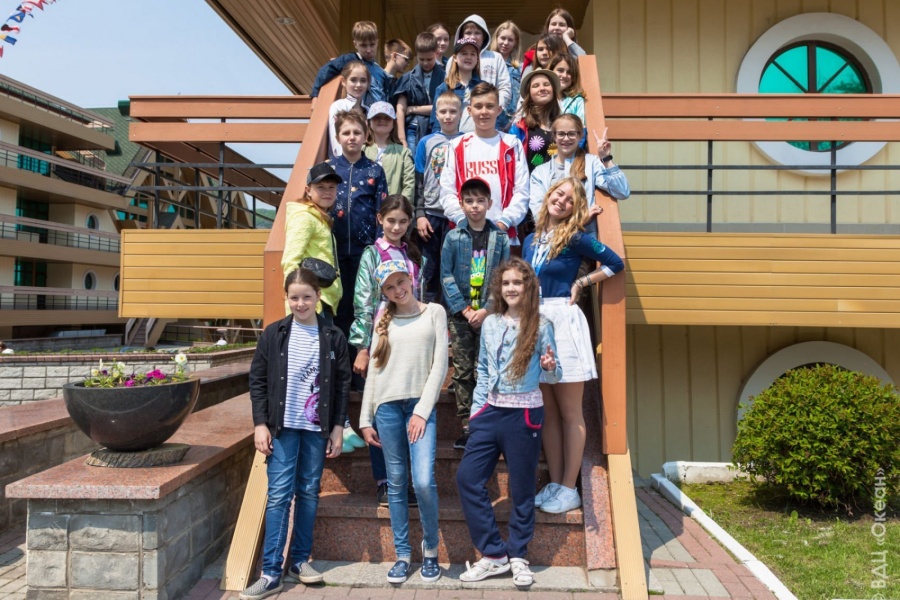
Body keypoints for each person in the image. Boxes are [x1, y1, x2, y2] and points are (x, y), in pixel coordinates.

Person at [241, 268, 351, 600]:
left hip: (316, 430)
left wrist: (338, 427)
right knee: (278, 495)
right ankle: (270, 572)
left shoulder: (333, 336)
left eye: (306, 296)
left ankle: (299, 561)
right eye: (294, 297)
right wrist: (260, 424)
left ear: (318, 296)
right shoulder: (274, 334)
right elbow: (258, 381)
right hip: (282, 428)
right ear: (286, 298)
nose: (300, 303)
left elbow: (342, 384)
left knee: (308, 493)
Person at [522, 177, 624, 514]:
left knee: (570, 411)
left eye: (570, 201)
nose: (562, 201)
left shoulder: (576, 238)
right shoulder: (530, 239)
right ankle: (555, 483)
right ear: (549, 195)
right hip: (534, 321)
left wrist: (582, 281)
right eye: (559, 194)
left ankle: (569, 487)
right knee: (547, 411)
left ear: (575, 209)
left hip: (562, 323)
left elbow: (615, 262)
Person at [456, 257, 560, 587]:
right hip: (489, 413)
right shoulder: (489, 323)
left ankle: (518, 555)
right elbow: (483, 368)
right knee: (467, 478)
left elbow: (555, 374)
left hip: (524, 414)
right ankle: (494, 555)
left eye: (518, 282)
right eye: (506, 283)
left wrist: (549, 367)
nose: (511, 288)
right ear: (498, 288)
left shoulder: (542, 325)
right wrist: (476, 412)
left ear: (529, 287)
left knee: (522, 487)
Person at [359, 260, 448, 584]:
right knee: (396, 482)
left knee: (422, 481)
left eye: (401, 282)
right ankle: (402, 554)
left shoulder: (434, 312)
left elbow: (440, 364)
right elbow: (375, 371)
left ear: (411, 279)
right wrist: (365, 418)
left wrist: (422, 411)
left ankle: (430, 550)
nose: (398, 290)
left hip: (419, 407)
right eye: (390, 287)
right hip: (386, 407)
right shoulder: (383, 320)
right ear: (383, 292)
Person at [349, 195, 426, 504]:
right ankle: (386, 481)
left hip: (412, 339)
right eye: (391, 220)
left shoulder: (412, 254)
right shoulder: (372, 254)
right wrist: (362, 347)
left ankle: (409, 480)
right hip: (382, 340)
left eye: (403, 221)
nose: (396, 227)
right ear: (380, 219)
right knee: (382, 410)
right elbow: (363, 302)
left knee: (409, 408)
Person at [441, 177, 511, 449]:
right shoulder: (453, 237)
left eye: (480, 201)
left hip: (489, 316)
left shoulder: (500, 238)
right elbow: (446, 275)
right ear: (461, 204)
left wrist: (485, 309)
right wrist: (465, 308)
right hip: (461, 316)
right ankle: (467, 426)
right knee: (462, 372)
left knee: (487, 369)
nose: (475, 206)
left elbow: (503, 277)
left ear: (490, 204)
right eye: (469, 201)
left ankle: (485, 423)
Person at [327, 110, 388, 390]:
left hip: (365, 254)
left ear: (366, 137)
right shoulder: (329, 169)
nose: (352, 137)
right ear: (338, 137)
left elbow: (382, 211)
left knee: (363, 309)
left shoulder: (374, 170)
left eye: (357, 133)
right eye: (346, 133)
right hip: (334, 253)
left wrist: (377, 250)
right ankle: (340, 373)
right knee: (340, 311)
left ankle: (361, 375)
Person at [439, 82, 529, 244]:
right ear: (469, 110)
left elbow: (522, 191)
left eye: (490, 106)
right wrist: (463, 221)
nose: (484, 112)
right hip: (465, 237)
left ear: (499, 110)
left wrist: (503, 224)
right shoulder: (456, 146)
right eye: (478, 106)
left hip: (503, 235)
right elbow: (447, 191)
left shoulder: (512, 144)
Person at [529, 115, 630, 237]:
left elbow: (622, 191)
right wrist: (580, 221)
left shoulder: (591, 163)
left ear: (580, 136)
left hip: (583, 239)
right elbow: (539, 215)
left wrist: (606, 158)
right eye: (561, 134)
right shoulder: (540, 173)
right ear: (554, 136)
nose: (566, 138)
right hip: (551, 240)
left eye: (571, 134)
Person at [414, 91, 462, 303]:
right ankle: (426, 308)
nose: (448, 116)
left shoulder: (466, 141)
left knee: (453, 267)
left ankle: (452, 313)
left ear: (461, 113)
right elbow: (419, 180)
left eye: (453, 111)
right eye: (443, 111)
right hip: (431, 214)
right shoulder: (426, 142)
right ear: (436, 114)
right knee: (429, 268)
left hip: (456, 215)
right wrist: (420, 214)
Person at [281, 162, 344, 323]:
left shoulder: (319, 217)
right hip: (311, 305)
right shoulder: (304, 217)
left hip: (321, 299)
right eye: (320, 187)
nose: (327, 192)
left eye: (331, 187)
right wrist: (295, 306)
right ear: (308, 190)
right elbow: (290, 261)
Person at [310, 20, 388, 107]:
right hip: (357, 109)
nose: (369, 50)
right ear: (355, 44)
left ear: (377, 43)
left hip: (377, 111)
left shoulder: (379, 69)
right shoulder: (350, 59)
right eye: (363, 45)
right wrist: (315, 95)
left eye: (372, 44)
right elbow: (326, 70)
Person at [449, 15, 513, 115]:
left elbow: (505, 87)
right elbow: (448, 85)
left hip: (490, 115)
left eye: (477, 33)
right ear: (461, 36)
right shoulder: (453, 60)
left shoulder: (496, 58)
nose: (472, 37)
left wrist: (493, 107)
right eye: (468, 33)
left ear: (484, 36)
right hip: (458, 116)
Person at [395, 32, 446, 149]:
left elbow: (440, 108)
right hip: (413, 128)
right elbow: (401, 108)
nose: (425, 63)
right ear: (416, 55)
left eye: (429, 59)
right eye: (421, 59)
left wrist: (412, 109)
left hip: (437, 129)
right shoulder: (407, 78)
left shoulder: (445, 78)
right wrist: (402, 138)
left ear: (437, 53)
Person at [510, 69, 562, 173]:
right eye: (536, 86)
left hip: (560, 182)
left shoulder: (564, 124)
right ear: (529, 93)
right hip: (530, 182)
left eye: (546, 84)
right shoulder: (519, 128)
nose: (542, 88)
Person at [429, 37, 482, 134]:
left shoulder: (484, 88)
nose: (469, 57)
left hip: (479, 139)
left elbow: (494, 119)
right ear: (455, 58)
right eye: (464, 53)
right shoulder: (443, 88)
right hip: (451, 139)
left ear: (477, 59)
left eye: (473, 54)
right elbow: (436, 123)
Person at [364, 102, 415, 199]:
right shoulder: (361, 150)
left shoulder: (403, 153)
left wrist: (401, 206)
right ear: (369, 122)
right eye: (377, 117)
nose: (382, 120)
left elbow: (409, 185)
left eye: (387, 117)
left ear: (394, 123)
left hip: (393, 206)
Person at [521, 9, 586, 74]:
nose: (557, 27)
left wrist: (566, 37)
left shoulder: (572, 51)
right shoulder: (536, 53)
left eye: (562, 25)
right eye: (553, 24)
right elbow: (526, 78)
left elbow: (585, 62)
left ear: (569, 28)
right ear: (548, 28)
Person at [328, 62, 370, 157]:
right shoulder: (338, 106)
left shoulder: (369, 111)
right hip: (342, 162)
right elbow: (335, 139)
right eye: (353, 80)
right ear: (344, 81)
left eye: (363, 81)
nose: (358, 85)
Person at [489, 21, 522, 131]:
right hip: (490, 118)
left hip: (511, 121)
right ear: (496, 38)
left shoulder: (519, 68)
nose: (506, 43)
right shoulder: (486, 62)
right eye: (503, 38)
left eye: (510, 40)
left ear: (515, 43)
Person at [550, 54, 585, 124]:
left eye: (569, 72)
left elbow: (580, 126)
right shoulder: (543, 97)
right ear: (551, 71)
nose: (564, 75)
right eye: (560, 70)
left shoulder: (577, 100)